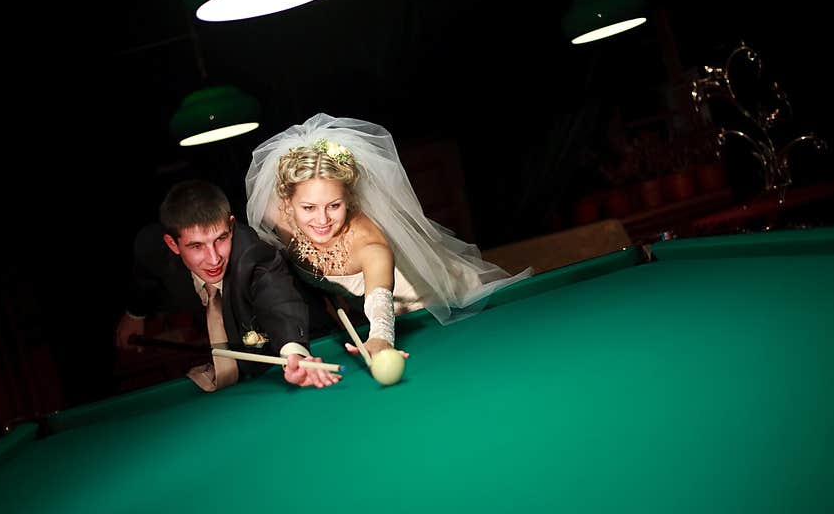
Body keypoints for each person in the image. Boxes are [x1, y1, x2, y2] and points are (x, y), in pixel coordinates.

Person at [245, 113, 531, 359]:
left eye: (334, 205)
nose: (322, 220)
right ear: (287, 203)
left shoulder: (369, 244)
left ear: (349, 199)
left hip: (441, 306)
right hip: (369, 321)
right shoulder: (278, 220)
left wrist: (379, 338)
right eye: (308, 207)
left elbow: (380, 303)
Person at [115, 179, 341, 390]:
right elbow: (143, 279)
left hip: (311, 338)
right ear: (172, 244)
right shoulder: (152, 250)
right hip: (246, 351)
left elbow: (277, 297)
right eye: (196, 246)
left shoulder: (253, 254)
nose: (214, 259)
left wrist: (295, 353)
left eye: (220, 239)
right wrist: (135, 314)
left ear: (231, 227)